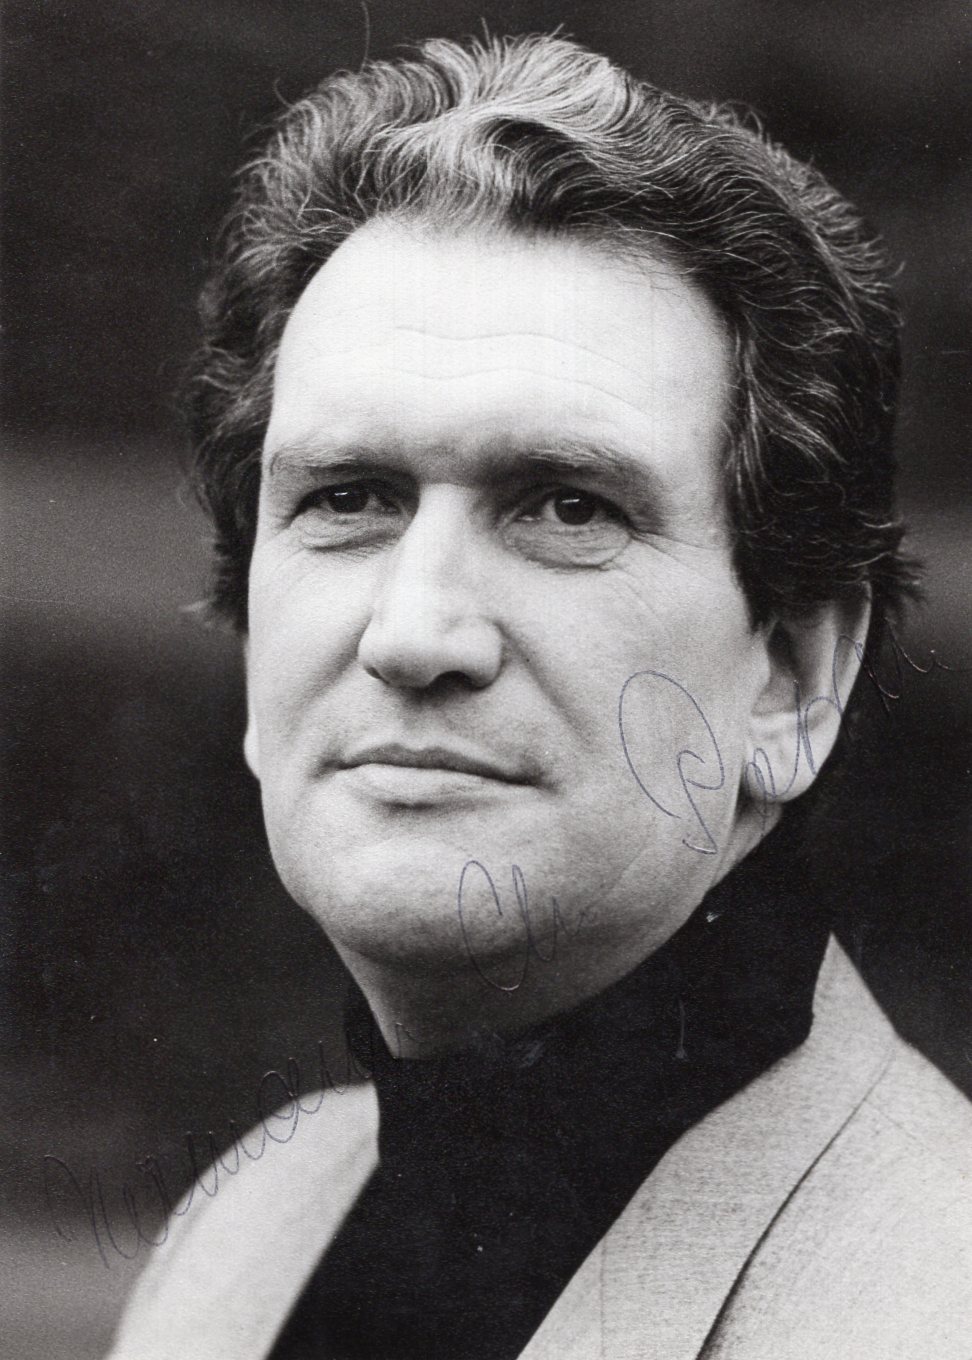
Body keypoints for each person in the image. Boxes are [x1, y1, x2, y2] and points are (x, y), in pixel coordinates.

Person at [108, 33, 971, 1360]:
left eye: (567, 507)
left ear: (793, 678)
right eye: (348, 498)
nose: (414, 632)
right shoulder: (245, 1233)